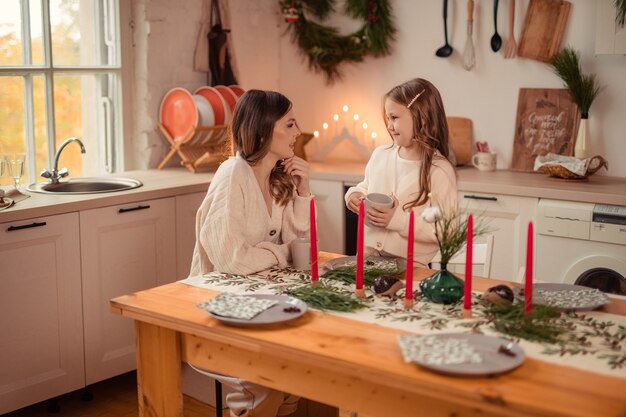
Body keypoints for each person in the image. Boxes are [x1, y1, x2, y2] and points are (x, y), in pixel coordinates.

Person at [189, 89, 311, 417]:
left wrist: (303, 191)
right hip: (219, 311)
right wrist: (281, 252)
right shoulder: (232, 175)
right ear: (263, 129)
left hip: (263, 304)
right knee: (267, 381)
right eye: (290, 124)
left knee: (295, 376)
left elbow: (303, 251)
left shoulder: (278, 178)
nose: (298, 132)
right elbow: (233, 260)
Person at [345, 78, 458, 266]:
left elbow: (445, 230)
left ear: (422, 117)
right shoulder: (380, 155)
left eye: (394, 118)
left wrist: (399, 220)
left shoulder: (439, 171)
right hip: (367, 259)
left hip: (410, 270)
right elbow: (366, 188)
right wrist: (353, 195)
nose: (389, 126)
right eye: (388, 118)